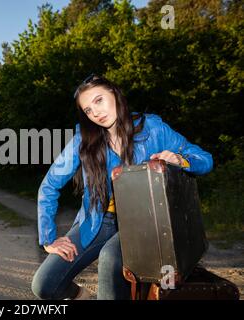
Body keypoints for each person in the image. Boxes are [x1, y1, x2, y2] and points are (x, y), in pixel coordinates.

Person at [31, 75, 213, 300]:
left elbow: (204, 159)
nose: (95, 112)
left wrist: (180, 159)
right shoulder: (83, 139)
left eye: (99, 100)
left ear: (115, 94)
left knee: (110, 257)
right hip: (98, 220)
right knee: (44, 285)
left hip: (145, 222)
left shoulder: (152, 128)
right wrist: (48, 239)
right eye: (88, 110)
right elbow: (49, 186)